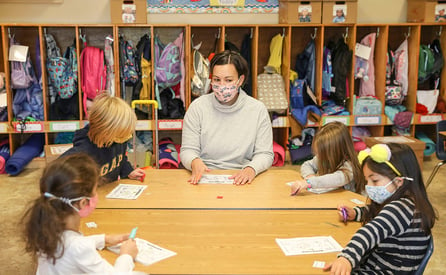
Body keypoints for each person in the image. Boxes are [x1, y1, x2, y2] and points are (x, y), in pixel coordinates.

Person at [324, 143, 437, 274]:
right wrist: (355, 213)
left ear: (399, 181)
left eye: (375, 181)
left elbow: (370, 232)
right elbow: (381, 216)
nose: (368, 186)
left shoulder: (400, 209)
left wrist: (346, 258)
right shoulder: (410, 204)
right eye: (367, 181)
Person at [22, 153, 138, 274]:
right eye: (95, 190)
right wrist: (127, 255)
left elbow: (72, 245)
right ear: (83, 203)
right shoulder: (80, 248)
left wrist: (104, 239)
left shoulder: (46, 227)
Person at [181, 50, 274, 185]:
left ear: (240, 80)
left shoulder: (257, 110)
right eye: (217, 80)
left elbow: (265, 153)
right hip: (205, 176)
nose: (222, 85)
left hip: (243, 177)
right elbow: (187, 150)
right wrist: (194, 161)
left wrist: (251, 169)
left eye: (228, 80)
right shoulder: (198, 107)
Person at [61, 92, 145, 183]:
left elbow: (120, 158)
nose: (127, 136)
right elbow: (57, 171)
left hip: (108, 192)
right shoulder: (84, 150)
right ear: (104, 131)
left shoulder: (118, 140)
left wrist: (128, 171)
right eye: (121, 134)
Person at [290, 121, 364, 195]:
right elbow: (307, 165)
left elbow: (334, 179)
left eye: (323, 153)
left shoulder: (349, 167)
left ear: (336, 151)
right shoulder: (323, 158)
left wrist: (309, 182)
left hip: (346, 202)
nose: (319, 156)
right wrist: (310, 175)